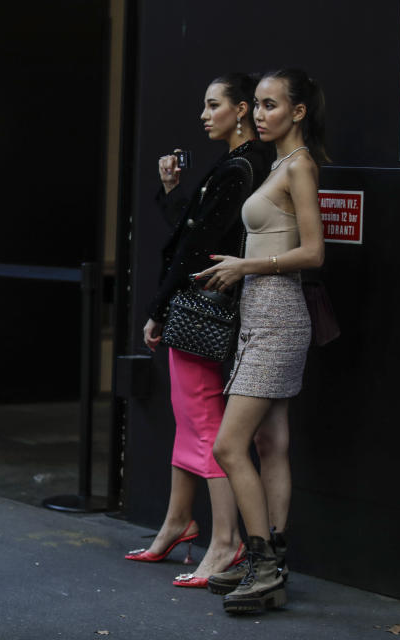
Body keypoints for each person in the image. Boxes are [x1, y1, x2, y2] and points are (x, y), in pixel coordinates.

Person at [128, 74, 272, 589]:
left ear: (239, 110)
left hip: (204, 310)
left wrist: (158, 307)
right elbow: (194, 233)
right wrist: (172, 192)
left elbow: (196, 250)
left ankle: (225, 541)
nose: (205, 115)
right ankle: (178, 523)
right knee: (192, 421)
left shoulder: (241, 166)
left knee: (205, 425)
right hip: (211, 306)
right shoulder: (243, 164)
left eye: (215, 106)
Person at [197, 68, 328, 613]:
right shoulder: (278, 163)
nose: (260, 113)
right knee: (271, 445)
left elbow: (315, 253)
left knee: (230, 445)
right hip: (261, 314)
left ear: (298, 112)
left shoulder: (300, 166)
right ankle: (270, 559)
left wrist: (248, 264)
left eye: (272, 105)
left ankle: (264, 564)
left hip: (277, 317)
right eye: (257, 104)